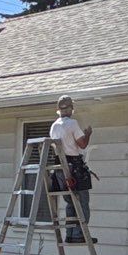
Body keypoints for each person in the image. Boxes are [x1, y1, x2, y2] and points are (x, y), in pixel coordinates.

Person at [49, 95, 93, 243]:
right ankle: (79, 234)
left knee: (70, 202)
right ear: (71, 109)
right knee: (82, 201)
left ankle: (70, 234)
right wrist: (87, 134)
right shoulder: (72, 124)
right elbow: (82, 145)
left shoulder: (54, 126)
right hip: (74, 167)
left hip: (60, 168)